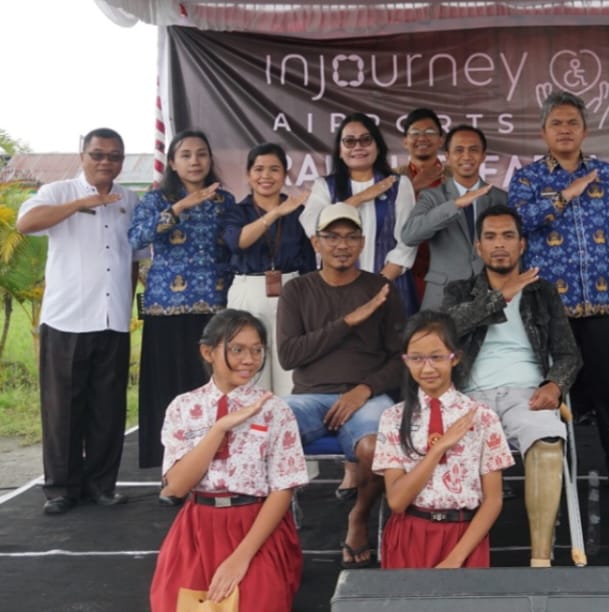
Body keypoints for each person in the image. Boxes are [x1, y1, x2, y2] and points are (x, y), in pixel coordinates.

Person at [507, 90, 609, 483]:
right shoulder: (528, 178)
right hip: (550, 309)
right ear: (543, 131)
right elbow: (520, 224)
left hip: (603, 306)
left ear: (585, 130)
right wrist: (564, 197)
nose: (565, 130)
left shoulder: (608, 174)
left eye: (572, 123)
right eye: (556, 123)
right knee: (550, 397)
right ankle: (552, 478)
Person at [443, 204, 582, 567]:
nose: (499, 245)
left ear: (522, 245)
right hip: (469, 399)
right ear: (478, 248)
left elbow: (569, 354)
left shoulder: (542, 293)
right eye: (490, 237)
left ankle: (541, 559)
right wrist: (501, 296)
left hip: (527, 395)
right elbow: (448, 330)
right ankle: (454, 552)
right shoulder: (459, 290)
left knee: (550, 442)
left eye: (508, 236)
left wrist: (554, 385)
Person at [17, 128, 142, 515]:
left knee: (108, 408)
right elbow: (26, 224)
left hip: (113, 318)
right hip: (67, 317)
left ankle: (102, 486)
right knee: (63, 410)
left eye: (115, 156)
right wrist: (79, 204)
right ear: (82, 154)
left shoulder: (130, 199)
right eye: (98, 154)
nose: (107, 162)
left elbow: (135, 256)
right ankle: (61, 489)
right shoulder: (58, 192)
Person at [149, 309, 307, 612]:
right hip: (197, 528)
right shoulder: (183, 407)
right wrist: (220, 428)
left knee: (258, 602)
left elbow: (283, 489)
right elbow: (177, 487)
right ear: (207, 352)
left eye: (256, 350)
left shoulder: (275, 410)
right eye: (237, 349)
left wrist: (240, 558)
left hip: (256, 527)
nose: (249, 360)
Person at [277, 204, 407, 569]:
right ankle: (271, 526)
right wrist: (348, 321)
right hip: (309, 398)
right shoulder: (297, 291)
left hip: (366, 396)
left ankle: (360, 518)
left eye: (350, 237)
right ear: (317, 243)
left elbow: (402, 358)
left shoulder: (380, 288)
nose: (342, 245)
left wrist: (364, 389)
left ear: (362, 243)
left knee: (374, 448)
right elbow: (288, 355)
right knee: (265, 427)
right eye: (332, 237)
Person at [130, 129, 235, 477]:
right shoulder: (157, 198)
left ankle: (212, 466)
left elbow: (234, 247)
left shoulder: (225, 201)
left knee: (208, 386)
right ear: (173, 162)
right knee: (170, 389)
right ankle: (172, 470)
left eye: (201, 154)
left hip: (214, 307)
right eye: (186, 155)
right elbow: (136, 238)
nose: (194, 161)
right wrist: (177, 208)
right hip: (167, 309)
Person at [374, 310, 514, 568]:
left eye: (437, 357)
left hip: (463, 536)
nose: (427, 368)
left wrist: (456, 558)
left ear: (455, 358)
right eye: (416, 358)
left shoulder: (482, 417)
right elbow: (396, 501)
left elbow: (493, 499)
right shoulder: (392, 418)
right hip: (410, 534)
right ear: (405, 361)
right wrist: (440, 448)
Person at [299, 112, 418, 315]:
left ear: (377, 146)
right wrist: (361, 198)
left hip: (390, 285)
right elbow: (315, 227)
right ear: (339, 150)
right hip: (337, 290)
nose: (358, 147)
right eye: (349, 141)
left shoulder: (398, 185)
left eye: (365, 140)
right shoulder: (324, 186)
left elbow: (408, 239)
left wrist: (379, 283)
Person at [222, 143, 314, 396]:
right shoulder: (236, 211)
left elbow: (308, 262)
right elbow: (237, 243)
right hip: (248, 290)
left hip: (291, 289)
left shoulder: (298, 212)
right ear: (248, 175)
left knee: (290, 371)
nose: (266, 176)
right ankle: (252, 431)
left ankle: (286, 431)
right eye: (259, 169)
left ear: (285, 175)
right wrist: (274, 214)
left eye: (274, 169)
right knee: (249, 367)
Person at [402, 125, 508, 310]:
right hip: (441, 297)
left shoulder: (501, 198)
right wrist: (455, 205)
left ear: (483, 156)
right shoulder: (432, 196)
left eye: (473, 150)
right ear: (447, 157)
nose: (466, 156)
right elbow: (410, 235)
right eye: (459, 150)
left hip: (490, 297)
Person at [396, 108, 447, 307]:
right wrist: (412, 187)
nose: (422, 138)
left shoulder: (456, 176)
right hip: (403, 270)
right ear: (405, 141)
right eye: (415, 133)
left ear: (441, 140)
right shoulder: (390, 178)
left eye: (430, 132)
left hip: (445, 271)